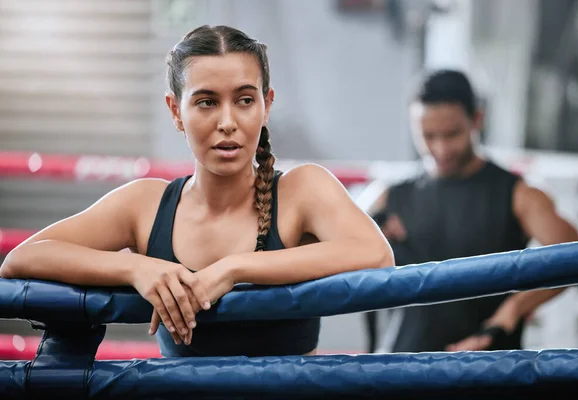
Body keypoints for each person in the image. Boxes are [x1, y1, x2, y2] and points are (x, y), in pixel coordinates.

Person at [0, 25, 394, 357]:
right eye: (206, 102)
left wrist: (233, 268)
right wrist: (137, 267)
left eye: (244, 100)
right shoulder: (146, 205)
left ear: (266, 104)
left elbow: (376, 255)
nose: (227, 122)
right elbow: (22, 259)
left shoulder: (302, 190)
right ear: (176, 111)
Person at [363, 69, 578, 353]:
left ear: (477, 119)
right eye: (428, 136)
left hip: (490, 369)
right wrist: (370, 232)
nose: (441, 149)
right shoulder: (388, 197)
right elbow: (329, 242)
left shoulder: (517, 195)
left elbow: (577, 256)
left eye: (452, 134)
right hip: (402, 368)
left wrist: (513, 309)